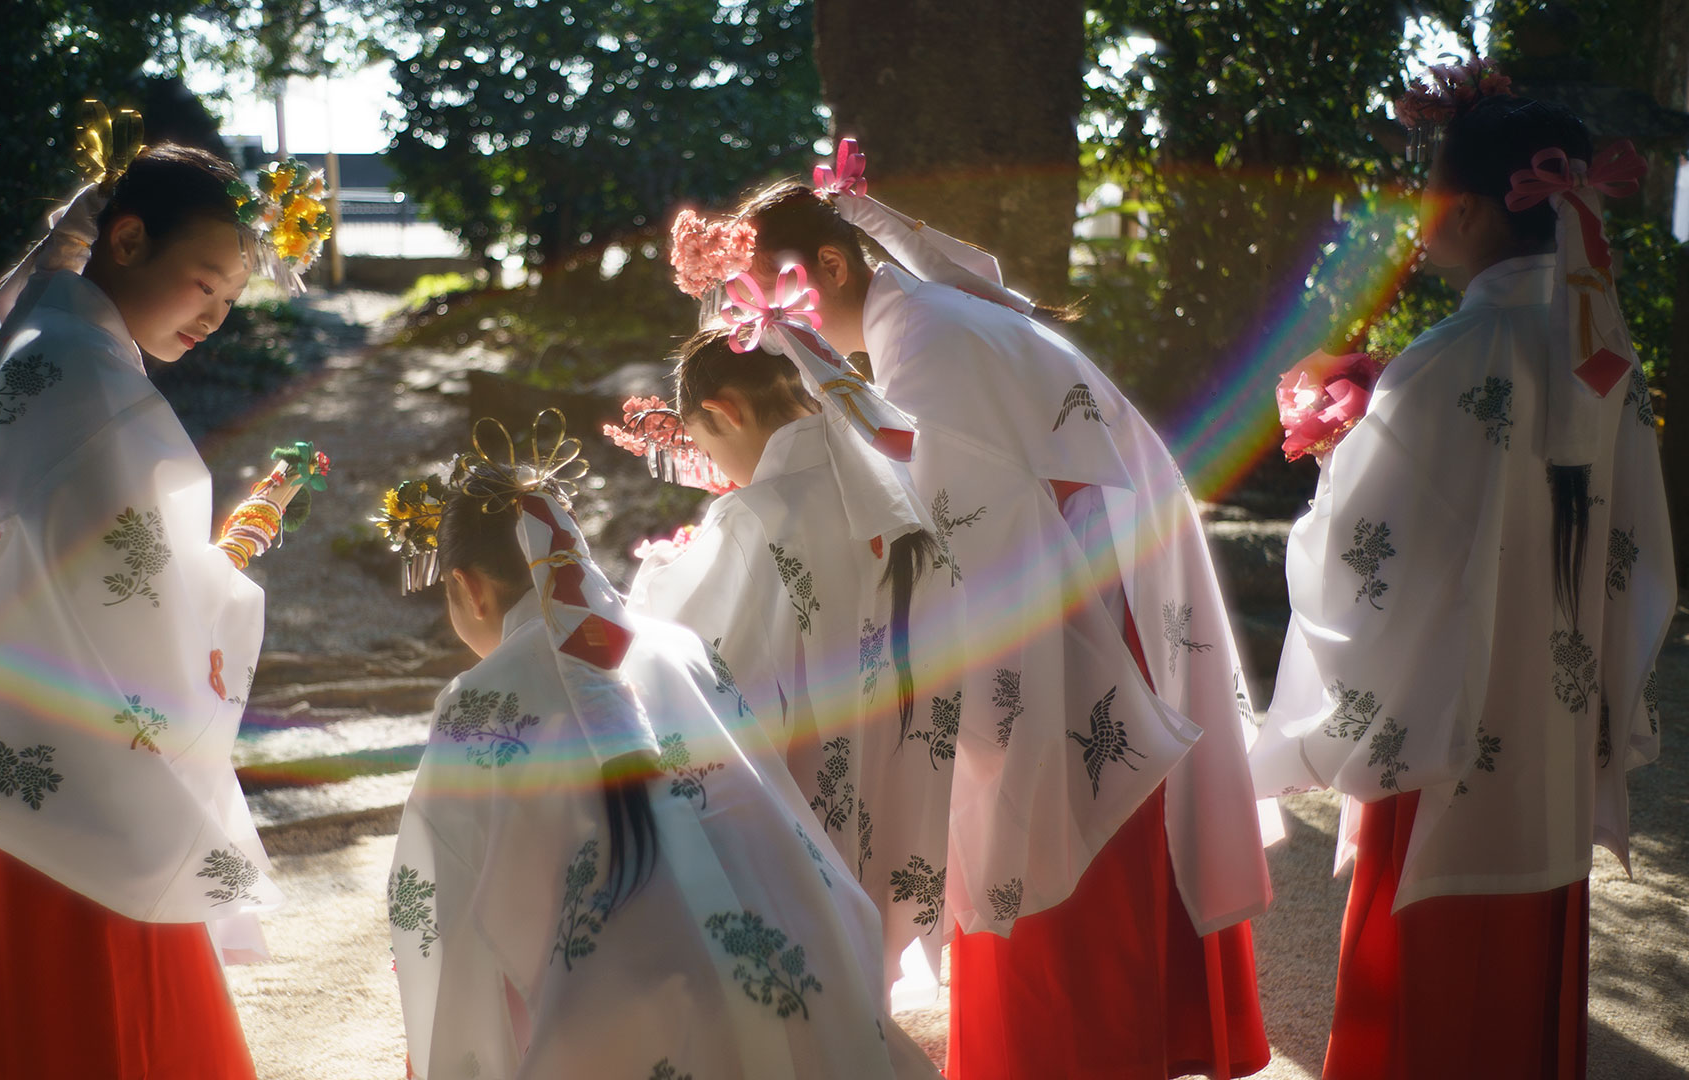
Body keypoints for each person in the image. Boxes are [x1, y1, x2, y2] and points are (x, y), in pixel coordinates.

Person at [0, 116, 331, 1078]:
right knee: (101, 1020)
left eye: (229, 299)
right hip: (68, 763)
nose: (212, 317)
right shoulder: (97, 386)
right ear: (126, 241)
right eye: (204, 284)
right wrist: (228, 569)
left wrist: (218, 550)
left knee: (3, 1024)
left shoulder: (52, 347)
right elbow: (134, 599)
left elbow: (97, 567)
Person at [727, 141, 1274, 1078]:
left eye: (775, 301)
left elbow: (951, 524)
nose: (773, 327)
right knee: (1059, 861)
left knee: (1047, 857)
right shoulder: (927, 322)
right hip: (1077, 596)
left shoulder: (931, 338)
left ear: (830, 265)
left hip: (1063, 625)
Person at [1252, 65, 1672, 1080]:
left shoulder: (1452, 356)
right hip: (1554, 728)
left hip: (1447, 723)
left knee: (1434, 988)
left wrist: (1340, 451)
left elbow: (1370, 550)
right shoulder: (1603, 358)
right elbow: (1636, 553)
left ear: (1477, 210)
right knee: (1520, 979)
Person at [375, 413, 939, 1080]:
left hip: (632, 1020)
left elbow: (442, 916)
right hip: (799, 975)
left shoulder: (480, 702)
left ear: (464, 587)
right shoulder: (680, 647)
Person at [624, 267, 963, 1003]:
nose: (717, 471)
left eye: (705, 446)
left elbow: (706, 662)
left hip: (808, 782)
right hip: (899, 770)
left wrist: (654, 581)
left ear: (721, 412)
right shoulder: (894, 483)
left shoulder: (756, 516)